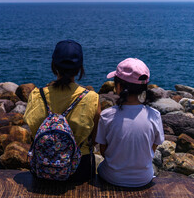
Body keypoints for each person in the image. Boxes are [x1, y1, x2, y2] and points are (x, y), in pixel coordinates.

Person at [23, 40, 101, 181]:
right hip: (79, 168)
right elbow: (94, 140)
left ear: (54, 66)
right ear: (80, 68)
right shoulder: (91, 99)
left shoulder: (36, 95)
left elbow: (33, 133)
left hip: (43, 167)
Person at [96, 58, 165, 187]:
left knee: (99, 167)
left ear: (119, 87)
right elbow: (152, 148)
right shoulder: (154, 115)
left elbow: (103, 151)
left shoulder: (107, 115)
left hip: (112, 177)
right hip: (144, 178)